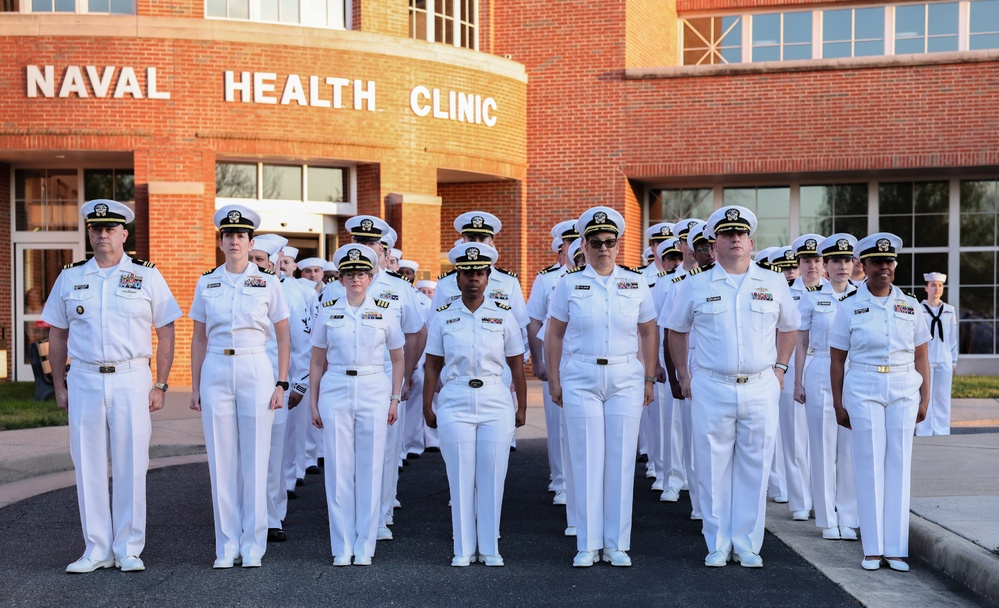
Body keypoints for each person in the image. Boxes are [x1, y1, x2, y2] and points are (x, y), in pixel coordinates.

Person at [43, 199, 181, 574]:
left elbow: (165, 331)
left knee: (132, 464)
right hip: (84, 378)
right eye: (95, 229)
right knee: (87, 465)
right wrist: (59, 385)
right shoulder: (70, 277)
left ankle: (128, 548)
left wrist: (162, 384)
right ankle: (97, 549)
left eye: (110, 229)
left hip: (132, 378)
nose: (102, 235)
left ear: (124, 234)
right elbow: (58, 334)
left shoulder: (147, 275)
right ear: (89, 233)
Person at [665, 205, 800, 569]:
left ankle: (746, 543)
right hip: (712, 385)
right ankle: (717, 542)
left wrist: (781, 367)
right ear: (714, 243)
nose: (735, 239)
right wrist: (683, 374)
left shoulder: (772, 283)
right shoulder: (695, 284)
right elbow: (675, 330)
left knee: (754, 468)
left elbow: (790, 326)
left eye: (741, 233)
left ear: (751, 242)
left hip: (760, 385)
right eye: (728, 234)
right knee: (711, 467)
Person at [546, 206, 659, 568]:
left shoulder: (636, 282)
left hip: (626, 376)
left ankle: (616, 543)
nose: (603, 249)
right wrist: (553, 377)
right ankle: (587, 543)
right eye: (595, 243)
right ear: (584, 245)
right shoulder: (569, 283)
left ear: (617, 244)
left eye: (610, 242)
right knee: (585, 459)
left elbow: (648, 330)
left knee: (621, 461)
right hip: (580, 376)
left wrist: (649, 377)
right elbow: (554, 333)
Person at [189, 204, 291, 569]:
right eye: (229, 236)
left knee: (254, 459)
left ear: (250, 243)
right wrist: (196, 384)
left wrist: (281, 382)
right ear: (221, 242)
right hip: (216, 366)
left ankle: (253, 544)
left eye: (241, 236)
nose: (235, 241)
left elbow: (282, 337)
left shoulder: (268, 282)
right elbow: (198, 338)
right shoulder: (207, 282)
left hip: (254, 366)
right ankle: (227, 544)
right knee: (222, 462)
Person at [830, 232, 931, 572]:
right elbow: (836, 359)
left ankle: (896, 549)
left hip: (903, 386)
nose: (883, 267)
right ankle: (873, 548)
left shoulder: (911, 306)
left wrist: (925, 398)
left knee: (899, 464)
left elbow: (922, 357)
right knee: (869, 461)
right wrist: (838, 402)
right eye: (875, 262)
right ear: (864, 265)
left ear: (895, 266)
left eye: (888, 262)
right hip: (863, 386)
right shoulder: (848, 306)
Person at [423, 242, 528, 567]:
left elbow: (516, 365)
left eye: (479, 273)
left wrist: (521, 406)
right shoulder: (443, 317)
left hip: (495, 399)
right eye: (467, 273)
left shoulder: (503, 315)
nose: (473, 279)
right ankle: (463, 548)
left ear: (487, 277)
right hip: (454, 399)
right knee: (460, 475)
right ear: (457, 278)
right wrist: (428, 405)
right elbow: (432, 365)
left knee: (492, 474)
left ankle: (490, 547)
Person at [309, 244, 404, 566]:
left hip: (374, 387)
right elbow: (317, 361)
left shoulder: (385, 311)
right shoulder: (328, 310)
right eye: (349, 274)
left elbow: (398, 357)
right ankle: (342, 545)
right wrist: (313, 402)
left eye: (361, 274)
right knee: (337, 469)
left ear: (370, 276)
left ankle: (365, 544)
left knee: (370, 467)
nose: (355, 280)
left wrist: (394, 397)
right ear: (341, 278)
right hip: (335, 387)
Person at [795, 233, 859, 542]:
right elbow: (801, 341)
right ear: (825, 265)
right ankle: (827, 517)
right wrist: (797, 379)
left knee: (848, 448)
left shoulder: (862, 296)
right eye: (835, 261)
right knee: (821, 446)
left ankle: (847, 515)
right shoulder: (811, 296)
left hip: (854, 371)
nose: (842, 266)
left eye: (847, 260)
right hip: (819, 367)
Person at [916, 272, 958, 436]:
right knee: (924, 398)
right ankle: (924, 431)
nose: (937, 288)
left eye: (940, 285)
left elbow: (953, 338)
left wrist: (953, 360)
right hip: (925, 360)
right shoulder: (919, 309)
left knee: (942, 398)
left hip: (944, 360)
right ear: (926, 288)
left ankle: (942, 431)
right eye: (933, 285)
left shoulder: (949, 310)